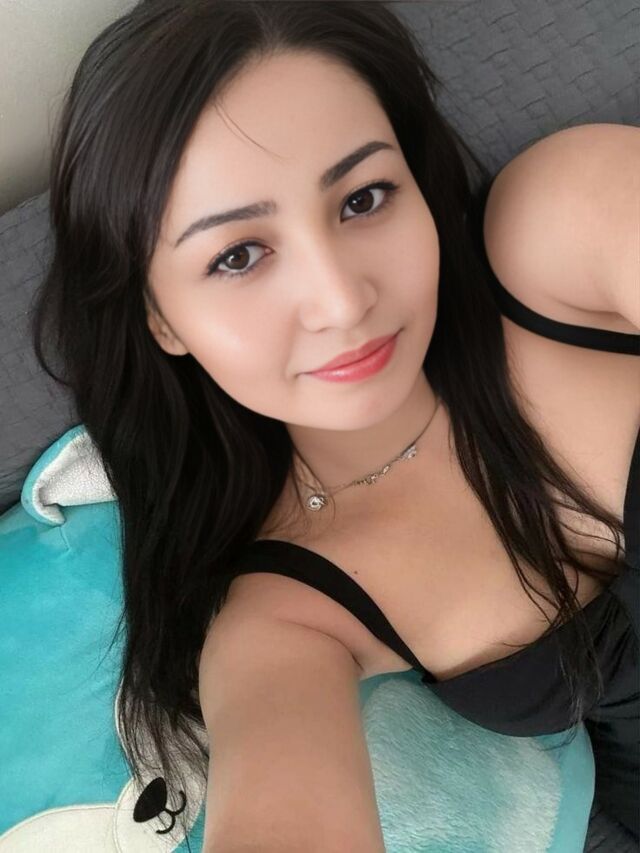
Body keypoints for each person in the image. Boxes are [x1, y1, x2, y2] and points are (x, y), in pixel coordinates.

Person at [32, 0, 639, 848]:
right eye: (237, 255)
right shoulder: (286, 618)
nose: (342, 299)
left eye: (364, 198)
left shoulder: (558, 227)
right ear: (160, 318)